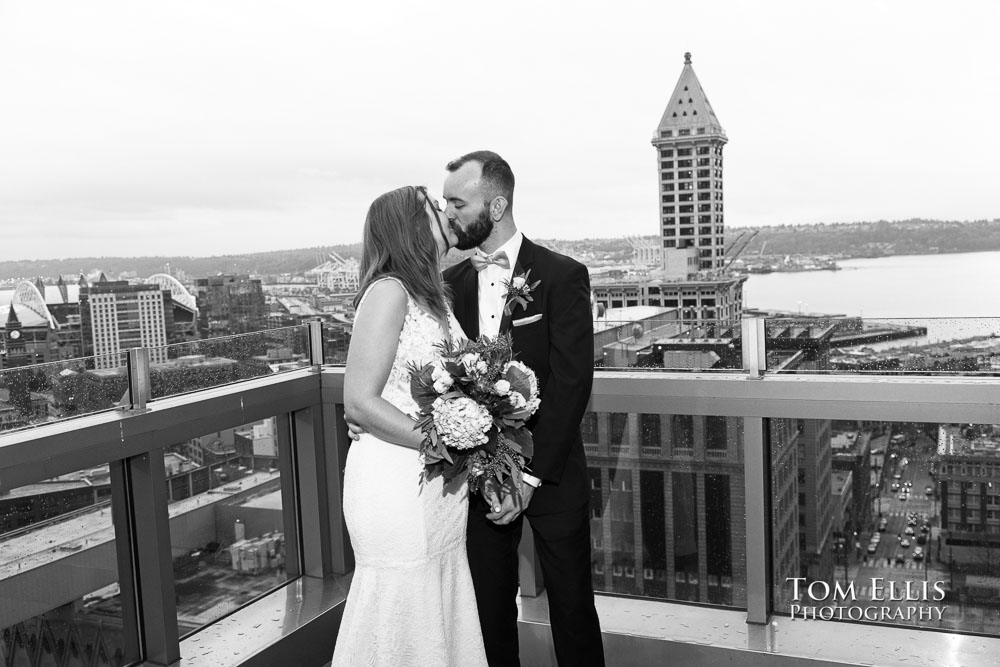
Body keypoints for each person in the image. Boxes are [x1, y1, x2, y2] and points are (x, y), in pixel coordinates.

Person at [442, 151, 605, 666]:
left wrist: (528, 476)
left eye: (457, 202)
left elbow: (573, 383)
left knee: (573, 614)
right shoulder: (452, 284)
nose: (449, 214)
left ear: (496, 205)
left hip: (551, 478)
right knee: (488, 615)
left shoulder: (562, 275)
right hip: (479, 483)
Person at [332, 185, 488, 666]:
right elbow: (358, 401)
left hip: (439, 490)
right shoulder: (388, 292)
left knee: (439, 598)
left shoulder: (432, 298)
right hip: (397, 487)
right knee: (402, 601)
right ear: (410, 226)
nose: (444, 210)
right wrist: (444, 440)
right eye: (432, 206)